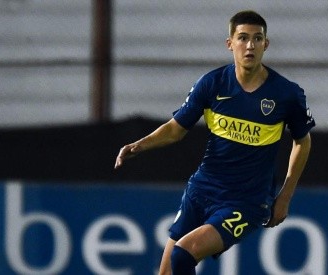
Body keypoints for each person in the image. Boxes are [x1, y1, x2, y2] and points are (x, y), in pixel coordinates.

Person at [114, 10, 315, 275]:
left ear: (266, 44)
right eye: (243, 38)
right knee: (166, 272)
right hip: (202, 189)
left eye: (257, 39)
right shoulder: (212, 84)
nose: (250, 45)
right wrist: (139, 145)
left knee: (184, 253)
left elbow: (303, 141)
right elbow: (176, 129)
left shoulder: (286, 94)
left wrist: (285, 196)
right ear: (230, 43)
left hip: (247, 201)